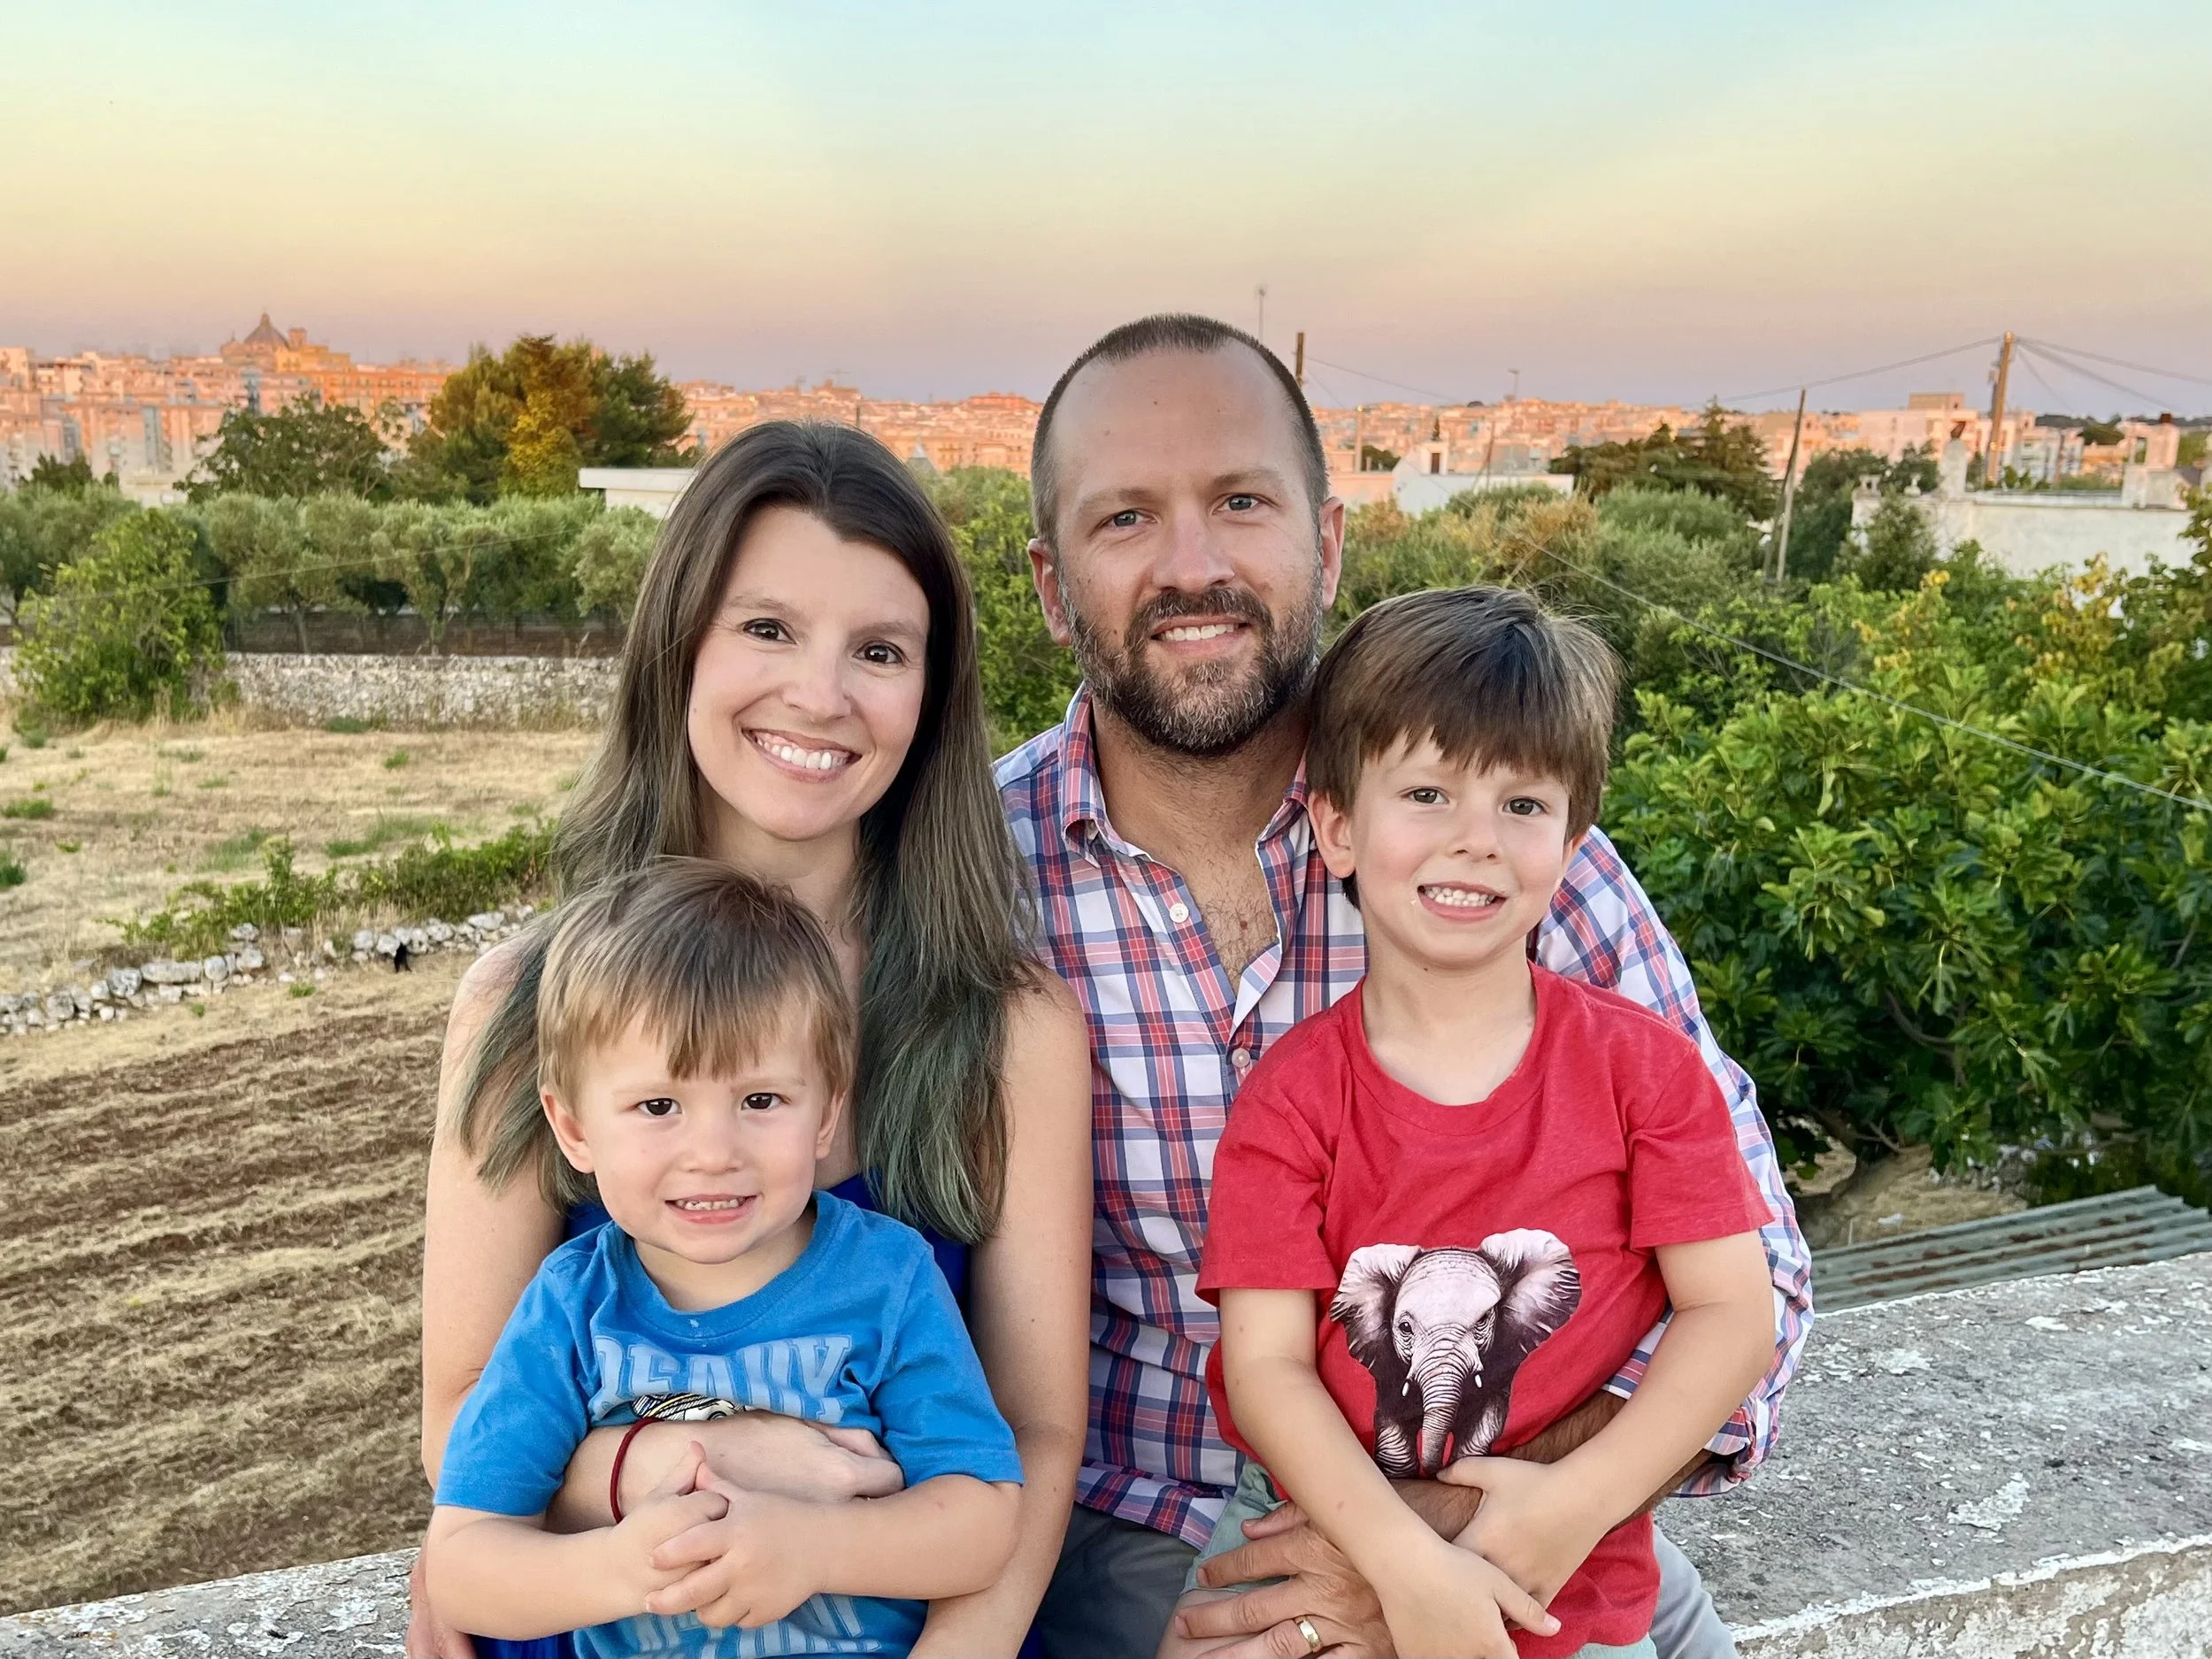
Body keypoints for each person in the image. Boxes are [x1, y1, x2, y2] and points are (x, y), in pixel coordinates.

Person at [995, 314, 1814, 1659]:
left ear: (1326, 542)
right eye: (1127, 516)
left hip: (1546, 1522)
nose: (1193, 563)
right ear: (1048, 579)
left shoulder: (1512, 857)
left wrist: (1444, 1536)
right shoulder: (977, 877)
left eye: (1242, 501)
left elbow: (1757, 1278)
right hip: (1163, 1548)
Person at [411, 422, 1092, 1659]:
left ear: (930, 694)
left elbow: (1035, 1430)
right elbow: (463, 1419)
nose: (819, 694)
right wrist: (685, 1459)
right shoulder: (521, 1004)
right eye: (767, 627)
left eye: (879, 649)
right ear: (679, 644)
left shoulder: (1008, 1023)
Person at [1166, 588, 1776, 1659]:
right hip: (1320, 1518)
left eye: (1523, 806)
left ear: (1573, 841)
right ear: (1339, 828)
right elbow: (1266, 1370)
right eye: (1429, 794)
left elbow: (1733, 1313)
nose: (1476, 841)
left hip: (1567, 1565)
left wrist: (1574, 1502)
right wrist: (1404, 1570)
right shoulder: (1290, 1100)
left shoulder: (1647, 1073)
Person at [424, 859, 1025, 1655]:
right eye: (659, 1105)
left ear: (825, 1113)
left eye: (760, 1100)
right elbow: (464, 1561)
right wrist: (622, 1565)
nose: (714, 1152)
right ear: (573, 1129)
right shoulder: (571, 1308)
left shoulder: (887, 1276)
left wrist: (815, 1547)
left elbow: (982, 1517)